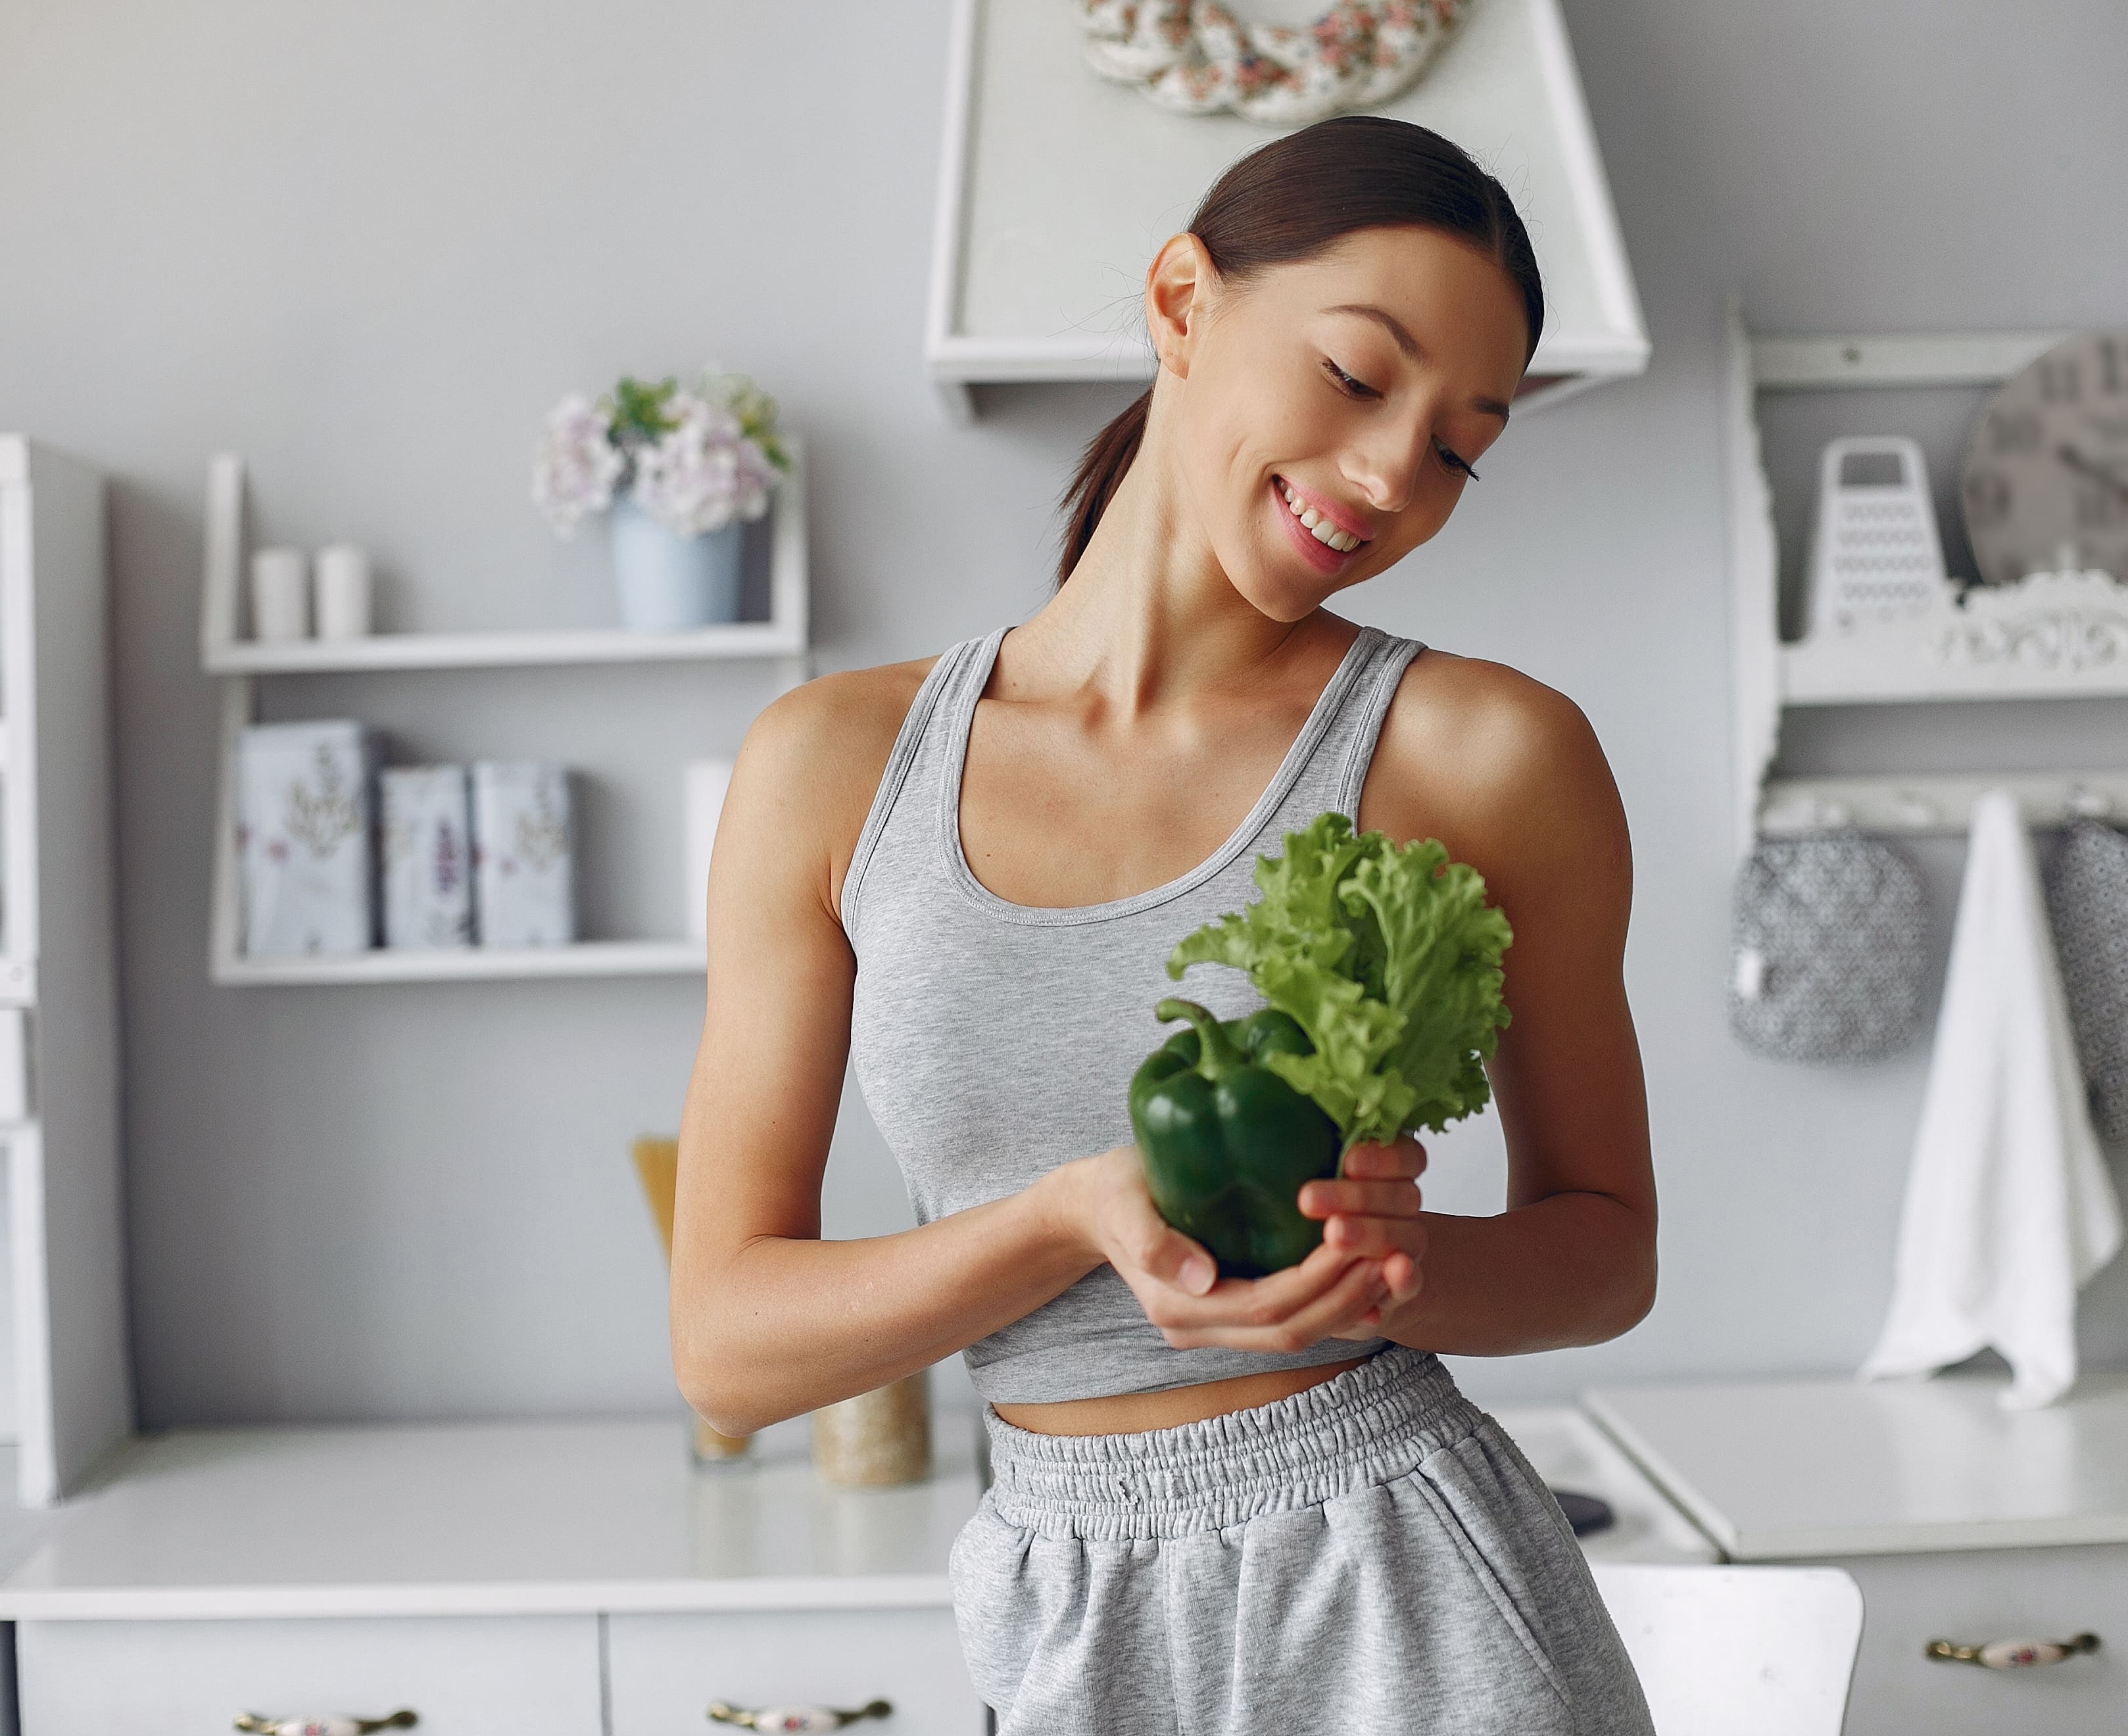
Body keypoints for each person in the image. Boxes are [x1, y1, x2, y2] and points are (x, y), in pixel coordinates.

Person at [671, 114, 1657, 1735]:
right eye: (1358, 375)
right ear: (1184, 303)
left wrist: (1391, 1270)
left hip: (1403, 1576)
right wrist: (1068, 1218)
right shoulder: (832, 771)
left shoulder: (1486, 755)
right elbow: (725, 1349)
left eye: (1463, 443)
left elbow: (1605, 1246)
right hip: (1062, 1598)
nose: (1396, 474)